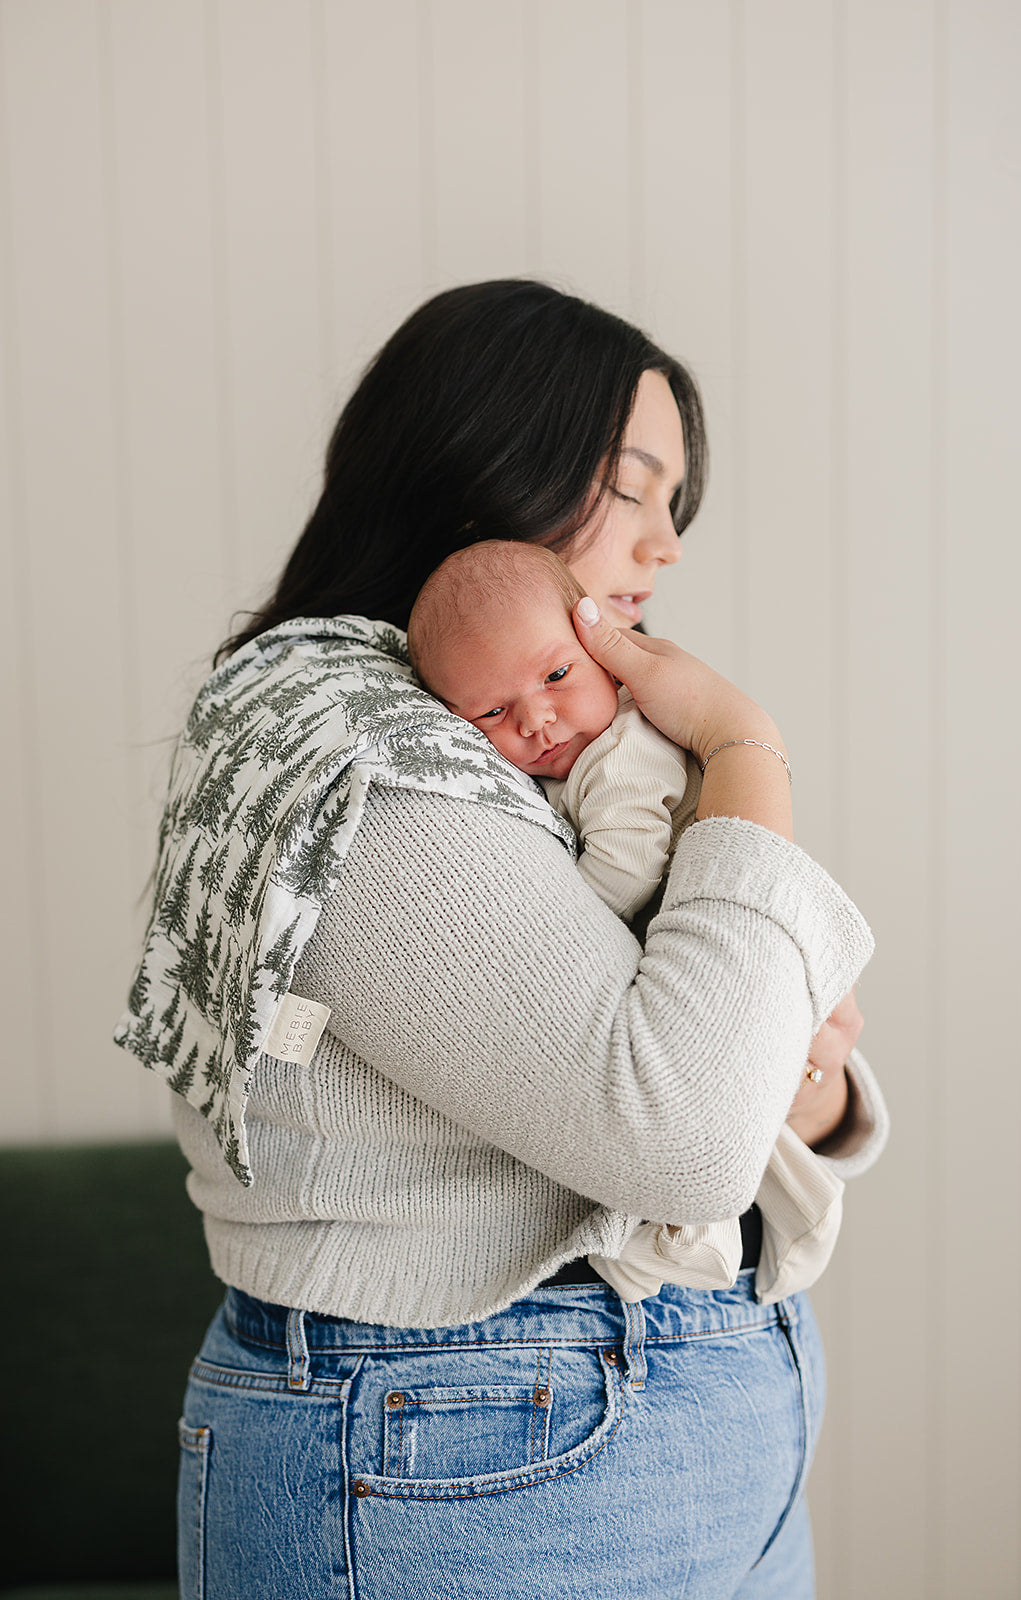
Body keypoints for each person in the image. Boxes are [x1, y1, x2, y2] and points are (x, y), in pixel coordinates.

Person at [115, 279, 887, 1600]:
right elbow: (683, 1133)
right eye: (631, 487)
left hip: (636, 1414)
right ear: (487, 456)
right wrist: (741, 744)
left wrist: (807, 1088)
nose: (665, 545)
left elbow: (735, 1064)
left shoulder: (530, 742)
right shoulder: (356, 743)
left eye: (675, 504)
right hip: (476, 1437)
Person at [408, 538, 847, 1306]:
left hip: (719, 948)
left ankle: (773, 1225)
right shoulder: (565, 755)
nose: (537, 718)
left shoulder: (624, 747)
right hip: (698, 961)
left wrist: (562, 928)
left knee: (730, 1128)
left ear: (606, 653)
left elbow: (628, 860)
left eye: (555, 676)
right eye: (493, 711)